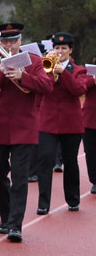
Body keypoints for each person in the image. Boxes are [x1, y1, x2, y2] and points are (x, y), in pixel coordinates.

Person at [0, 23, 52, 242]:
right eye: (5, 41)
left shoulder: (33, 61)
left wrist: (23, 77)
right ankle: (6, 217)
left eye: (13, 41)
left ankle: (15, 224)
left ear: (21, 41)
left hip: (24, 126)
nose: (9, 45)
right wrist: (3, 74)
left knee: (20, 177)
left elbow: (46, 86)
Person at [36, 32, 87, 213]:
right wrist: (50, 71)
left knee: (71, 162)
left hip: (71, 124)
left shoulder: (79, 70)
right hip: (47, 122)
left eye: (63, 48)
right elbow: (42, 88)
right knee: (45, 161)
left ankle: (73, 200)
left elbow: (78, 89)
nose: (59, 51)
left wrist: (63, 73)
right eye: (56, 48)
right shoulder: (45, 67)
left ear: (70, 50)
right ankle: (43, 204)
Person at [83, 59, 96, 195]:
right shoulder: (89, 72)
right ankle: (95, 181)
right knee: (91, 152)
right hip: (90, 118)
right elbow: (81, 87)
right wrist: (93, 80)